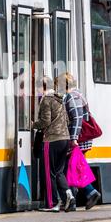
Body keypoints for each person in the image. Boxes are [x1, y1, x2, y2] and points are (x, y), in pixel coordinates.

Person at [56, 72, 102, 211]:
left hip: (77, 140)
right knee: (72, 169)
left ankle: (88, 193)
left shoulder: (72, 96)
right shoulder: (78, 95)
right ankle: (73, 201)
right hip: (79, 139)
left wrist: (74, 138)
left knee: (67, 170)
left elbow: (76, 119)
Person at [32, 77, 75, 212]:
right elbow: (67, 120)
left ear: (43, 87)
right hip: (65, 139)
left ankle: (52, 204)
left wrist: (33, 124)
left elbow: (45, 121)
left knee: (49, 173)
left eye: (38, 88)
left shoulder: (46, 99)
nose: (37, 91)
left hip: (52, 140)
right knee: (59, 172)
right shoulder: (60, 99)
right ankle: (68, 195)